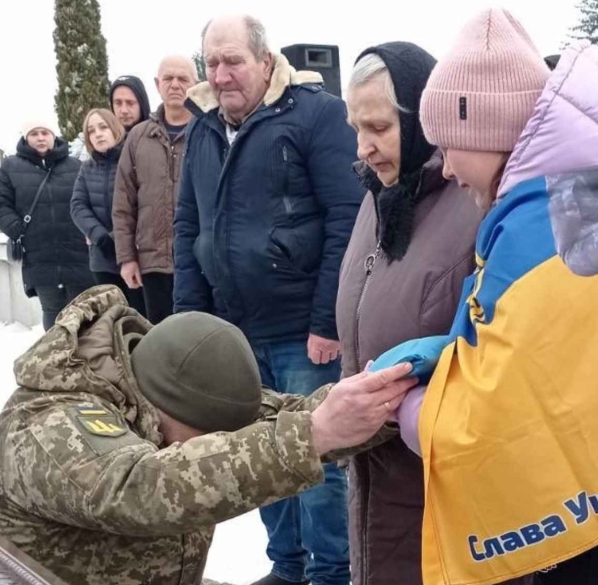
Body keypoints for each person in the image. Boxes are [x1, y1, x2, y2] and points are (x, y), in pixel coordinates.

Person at [381, 9, 598, 585]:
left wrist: (407, 402)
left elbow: (485, 424)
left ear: (492, 133)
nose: (445, 167)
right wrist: (447, 352)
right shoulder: (581, 194)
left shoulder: (537, 227)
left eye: (451, 145)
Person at [0, 285, 418, 585]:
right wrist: (311, 435)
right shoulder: (46, 421)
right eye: (196, 443)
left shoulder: (157, 385)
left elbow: (290, 414)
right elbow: (142, 487)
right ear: (159, 404)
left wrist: (384, 405)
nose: (204, 452)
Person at [175, 14, 364, 585]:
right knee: (256, 453)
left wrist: (327, 318)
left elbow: (347, 217)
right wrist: (190, 324)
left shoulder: (315, 115)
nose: (222, 74)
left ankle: (332, 572)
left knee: (317, 457)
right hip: (234, 332)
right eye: (212, 62)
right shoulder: (204, 127)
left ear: (264, 60)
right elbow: (189, 225)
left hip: (302, 331)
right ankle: (288, 567)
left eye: (233, 60)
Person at [339, 43, 487, 585]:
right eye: (357, 128)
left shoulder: (470, 200)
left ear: (423, 118)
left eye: (379, 127)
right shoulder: (377, 197)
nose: (365, 147)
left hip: (441, 488)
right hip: (375, 476)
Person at [112, 56, 198, 324]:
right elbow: (123, 203)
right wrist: (127, 258)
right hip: (153, 265)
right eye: (168, 79)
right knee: (162, 344)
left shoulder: (208, 131)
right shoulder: (138, 137)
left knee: (201, 343)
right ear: (157, 84)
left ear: (196, 84)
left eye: (183, 79)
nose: (175, 85)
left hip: (199, 262)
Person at [0, 119, 92, 330]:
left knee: (81, 312)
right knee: (53, 311)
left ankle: (82, 360)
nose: (40, 138)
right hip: (40, 253)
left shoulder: (75, 166)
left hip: (76, 251)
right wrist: (16, 228)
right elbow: (0, 203)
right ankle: (55, 360)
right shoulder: (11, 167)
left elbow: (89, 200)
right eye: (34, 133)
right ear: (26, 137)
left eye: (44, 132)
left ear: (53, 135)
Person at [70, 109, 146, 316]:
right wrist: (100, 236)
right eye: (91, 131)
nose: (98, 134)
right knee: (111, 321)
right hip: (101, 258)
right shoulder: (87, 169)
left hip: (134, 255)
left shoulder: (133, 161)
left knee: (140, 318)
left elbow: (141, 203)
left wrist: (116, 239)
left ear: (115, 128)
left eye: (103, 127)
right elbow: (78, 205)